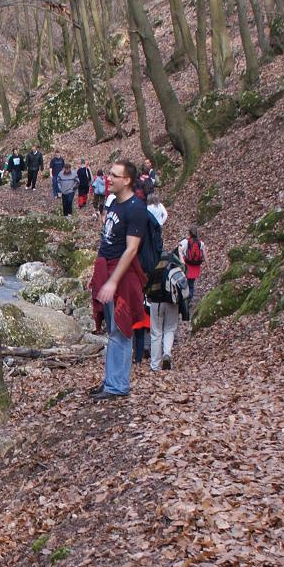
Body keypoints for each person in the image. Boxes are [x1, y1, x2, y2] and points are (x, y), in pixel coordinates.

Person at [89, 159, 149, 399]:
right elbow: (108, 240)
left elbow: (131, 249)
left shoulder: (136, 208)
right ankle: (111, 381)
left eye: (114, 175)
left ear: (127, 180)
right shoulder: (113, 203)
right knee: (112, 329)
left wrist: (113, 280)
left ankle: (118, 385)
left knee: (122, 330)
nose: (109, 179)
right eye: (109, 174)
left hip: (122, 276)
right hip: (107, 271)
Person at [145, 252, 189, 371]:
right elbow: (184, 271)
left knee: (156, 332)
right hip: (172, 300)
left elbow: (145, 279)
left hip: (155, 301)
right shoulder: (171, 257)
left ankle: (155, 365)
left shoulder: (151, 259)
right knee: (170, 329)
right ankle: (167, 354)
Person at [178, 226, 206, 304]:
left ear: (189, 233)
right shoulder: (200, 243)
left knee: (185, 282)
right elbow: (204, 254)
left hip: (187, 265)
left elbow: (180, 250)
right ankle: (190, 298)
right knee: (191, 283)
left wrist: (181, 258)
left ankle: (185, 298)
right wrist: (208, 264)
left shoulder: (185, 242)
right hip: (196, 266)